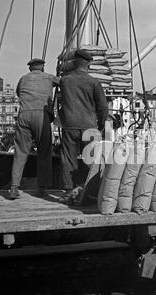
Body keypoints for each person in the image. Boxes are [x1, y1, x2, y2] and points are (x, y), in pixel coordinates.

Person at [58, 49, 108, 204]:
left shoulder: (65, 80)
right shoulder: (94, 82)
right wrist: (100, 124)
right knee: (91, 159)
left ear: (74, 63)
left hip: (70, 124)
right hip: (89, 126)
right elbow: (103, 107)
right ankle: (90, 191)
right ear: (89, 64)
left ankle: (67, 191)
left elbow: (61, 99)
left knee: (68, 159)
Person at [9, 58, 59, 200]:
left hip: (24, 115)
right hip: (41, 116)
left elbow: (19, 93)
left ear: (30, 68)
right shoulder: (49, 77)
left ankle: (14, 187)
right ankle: (42, 188)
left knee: (20, 152)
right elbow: (64, 83)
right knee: (44, 152)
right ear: (42, 67)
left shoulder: (23, 79)